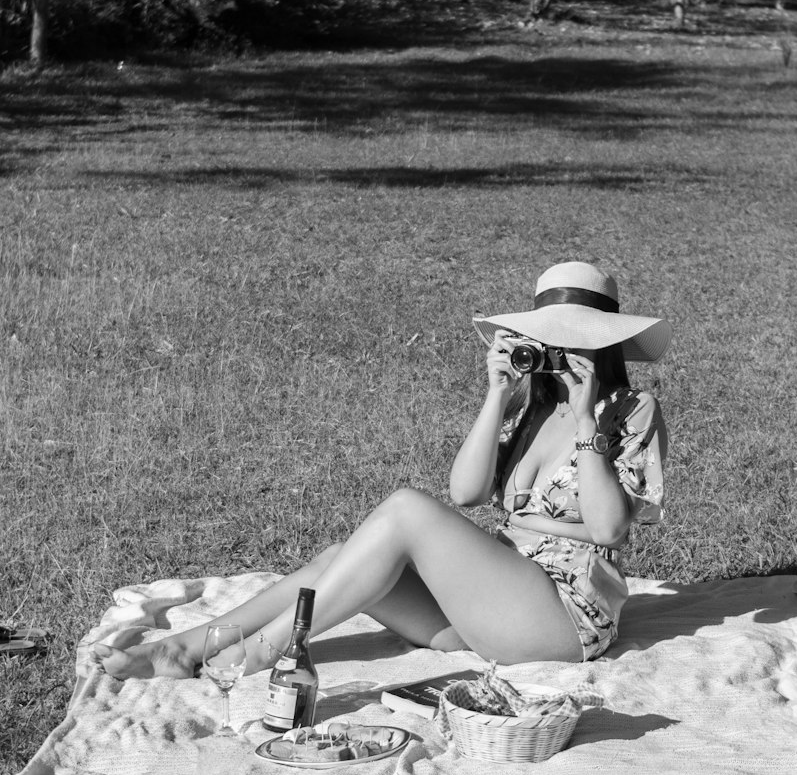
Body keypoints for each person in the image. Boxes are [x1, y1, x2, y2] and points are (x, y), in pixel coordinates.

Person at [93, 262, 671, 680]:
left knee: (405, 511)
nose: (557, 350)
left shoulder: (630, 409)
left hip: (562, 617)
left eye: (573, 340)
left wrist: (585, 418)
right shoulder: (531, 404)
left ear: (605, 344)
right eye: (548, 338)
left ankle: (265, 653)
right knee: (338, 560)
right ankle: (191, 645)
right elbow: (466, 493)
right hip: (490, 604)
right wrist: (497, 394)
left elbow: (609, 531)